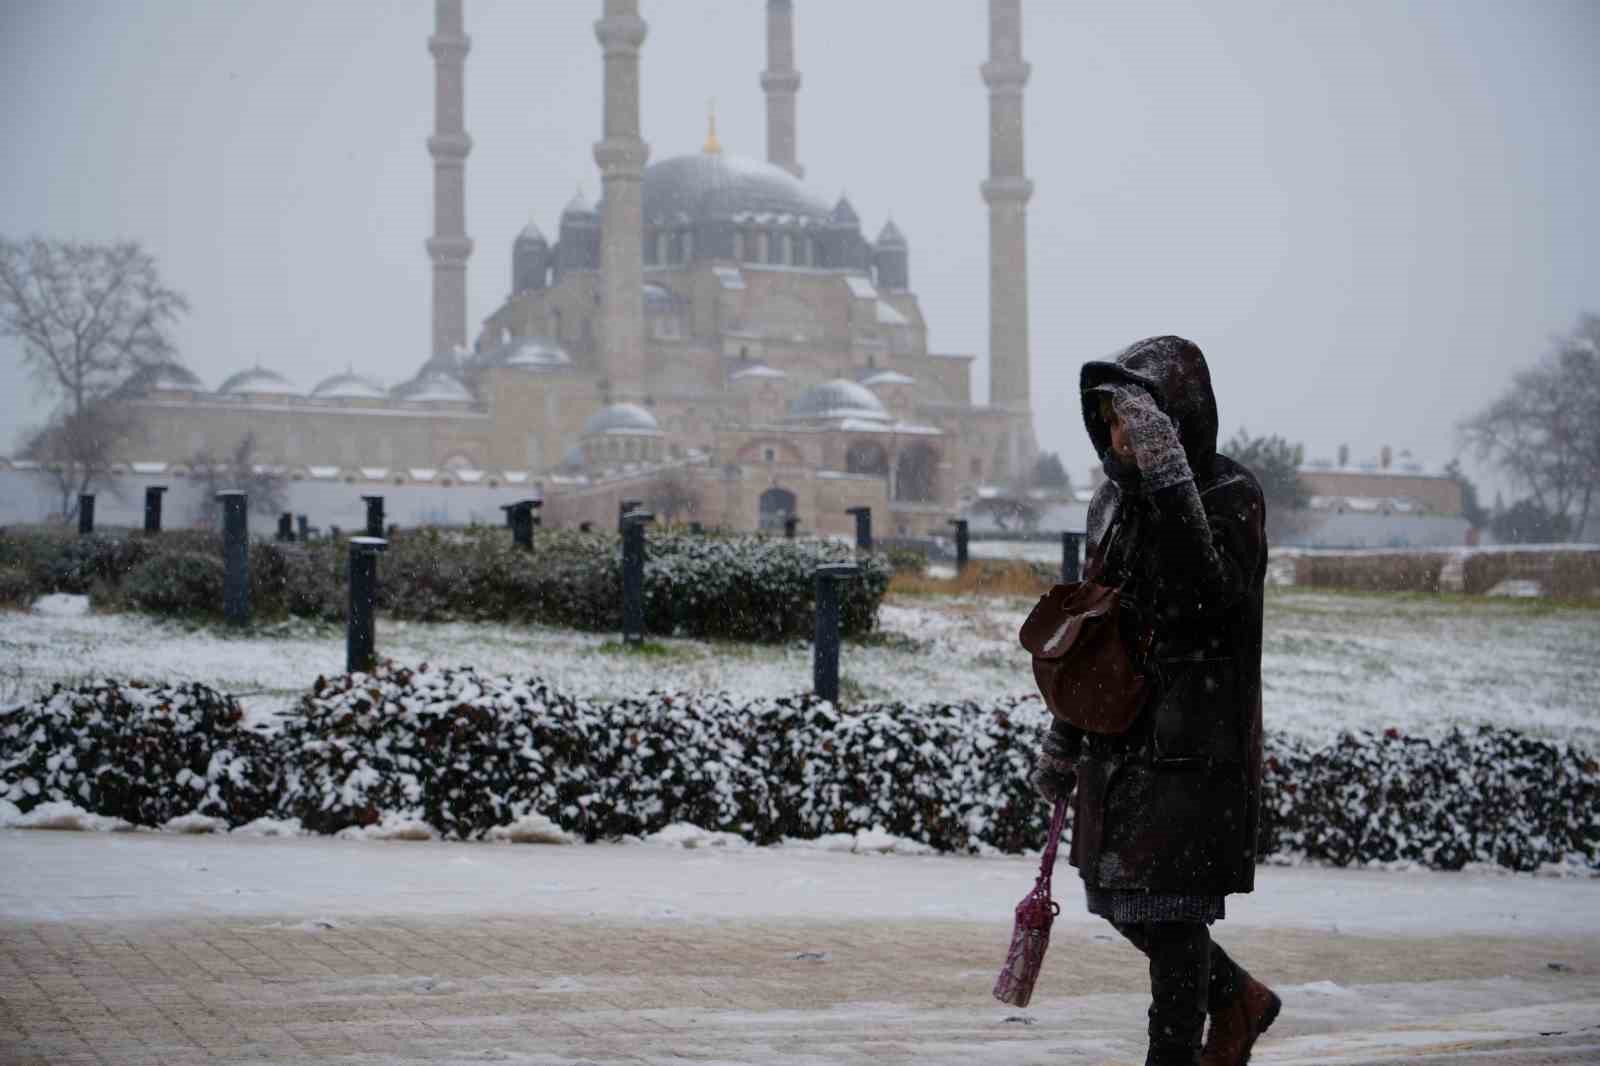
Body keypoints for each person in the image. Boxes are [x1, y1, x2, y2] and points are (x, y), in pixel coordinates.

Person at [1030, 335, 1279, 1066]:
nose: (1118, 438)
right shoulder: (1110, 500)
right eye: (1108, 423)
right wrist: (1063, 738)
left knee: (1172, 921)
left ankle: (1181, 1048)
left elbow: (1208, 592)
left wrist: (1172, 484)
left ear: (1177, 421)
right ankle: (1237, 998)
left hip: (1193, 744)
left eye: (1135, 423)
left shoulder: (1232, 495)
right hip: (1117, 738)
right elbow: (1091, 628)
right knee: (1122, 903)